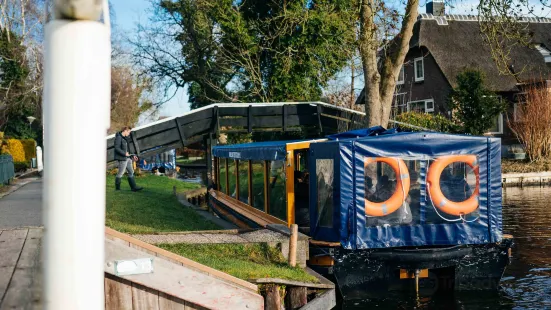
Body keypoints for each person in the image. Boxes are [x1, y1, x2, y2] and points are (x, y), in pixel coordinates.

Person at [114, 126, 143, 192]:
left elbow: (129, 150)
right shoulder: (118, 138)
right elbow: (117, 148)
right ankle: (117, 189)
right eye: (129, 132)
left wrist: (133, 156)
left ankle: (133, 187)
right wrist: (124, 153)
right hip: (122, 158)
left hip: (128, 158)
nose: (129, 133)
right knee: (120, 173)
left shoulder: (126, 138)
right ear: (125, 130)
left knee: (131, 171)